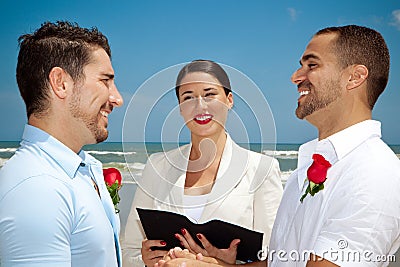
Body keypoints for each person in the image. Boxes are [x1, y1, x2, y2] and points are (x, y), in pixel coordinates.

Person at [156, 25, 400, 267]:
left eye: (312, 65)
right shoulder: (305, 171)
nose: (296, 76)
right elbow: (279, 263)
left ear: (355, 77)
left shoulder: (374, 173)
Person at [122, 60, 283, 267]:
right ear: (180, 108)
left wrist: (224, 265)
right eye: (188, 97)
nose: (200, 105)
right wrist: (146, 260)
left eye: (209, 94)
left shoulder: (262, 168)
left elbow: (276, 258)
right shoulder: (157, 166)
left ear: (229, 100)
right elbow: (130, 250)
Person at [0, 21, 124, 266]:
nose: (117, 98)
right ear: (60, 83)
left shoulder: (85, 168)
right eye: (105, 81)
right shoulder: (37, 188)